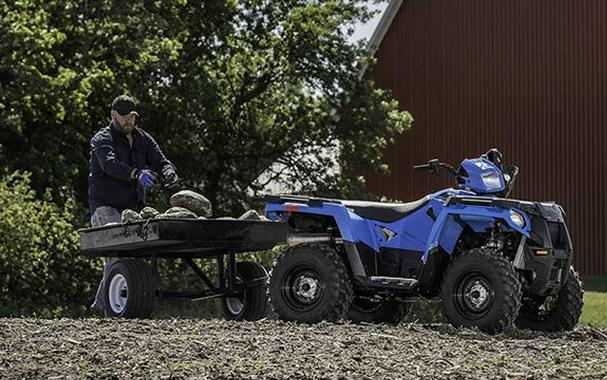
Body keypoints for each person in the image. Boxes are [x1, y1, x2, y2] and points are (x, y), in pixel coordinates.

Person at [88, 94, 178, 313]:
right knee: (118, 256)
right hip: (106, 207)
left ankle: (100, 309)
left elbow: (160, 160)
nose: (129, 121)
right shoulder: (102, 139)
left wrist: (169, 172)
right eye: (124, 117)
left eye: (132, 117)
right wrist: (135, 173)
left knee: (124, 259)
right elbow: (109, 165)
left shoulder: (142, 138)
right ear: (113, 116)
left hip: (132, 210)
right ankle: (107, 308)